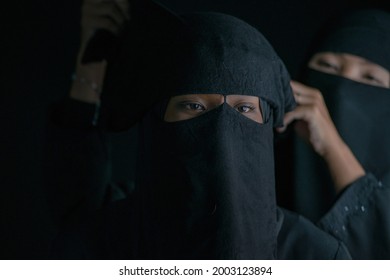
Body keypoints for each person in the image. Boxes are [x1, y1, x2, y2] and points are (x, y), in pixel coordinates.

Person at [49, 0, 352, 259]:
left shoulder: (319, 258)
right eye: (193, 106)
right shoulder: (93, 244)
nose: (221, 130)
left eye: (244, 109)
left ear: (268, 124)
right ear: (156, 118)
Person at [276, 9, 390, 259]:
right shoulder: (267, 159)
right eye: (327, 66)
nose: (340, 91)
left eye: (370, 77)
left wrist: (333, 149)